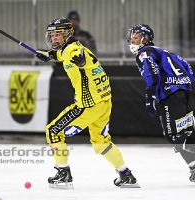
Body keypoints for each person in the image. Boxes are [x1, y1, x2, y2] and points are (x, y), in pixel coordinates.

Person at [36, 17, 139, 189]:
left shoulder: (75, 51)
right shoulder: (69, 48)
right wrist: (47, 54)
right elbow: (59, 54)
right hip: (103, 103)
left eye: (58, 35)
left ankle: (63, 174)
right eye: (52, 35)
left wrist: (81, 62)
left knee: (53, 131)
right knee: (101, 141)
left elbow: (81, 59)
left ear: (68, 34)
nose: (54, 39)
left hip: (87, 105)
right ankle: (126, 174)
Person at [126, 24, 195, 182]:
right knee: (189, 131)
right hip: (186, 94)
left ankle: (194, 166)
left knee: (174, 136)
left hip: (170, 97)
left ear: (145, 39)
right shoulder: (167, 52)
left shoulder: (144, 53)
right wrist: (182, 86)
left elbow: (153, 75)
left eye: (135, 38)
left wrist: (150, 97)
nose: (132, 42)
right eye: (131, 39)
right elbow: (188, 68)